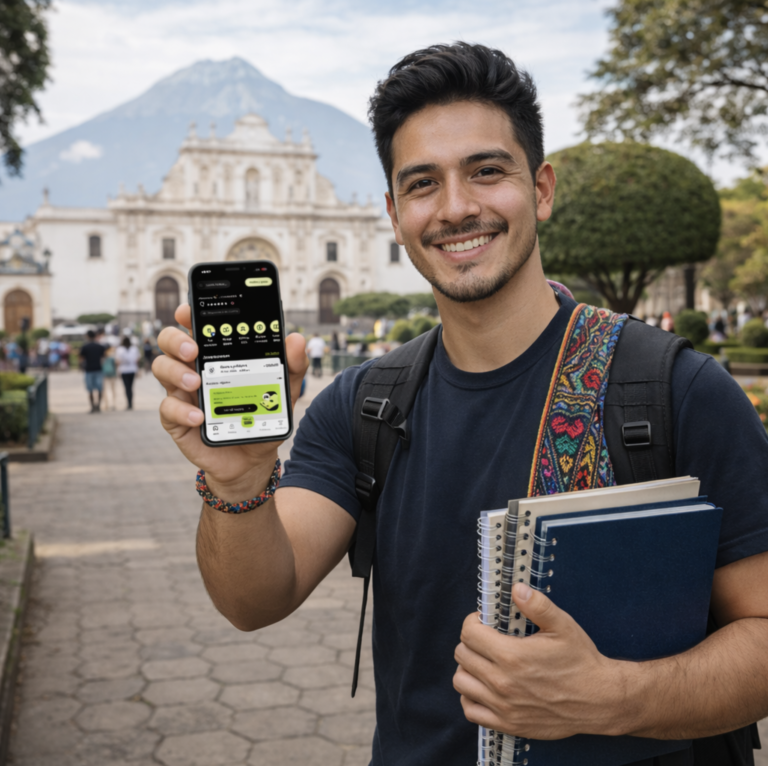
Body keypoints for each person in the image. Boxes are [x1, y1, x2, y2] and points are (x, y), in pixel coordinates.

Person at [153, 43, 768, 766]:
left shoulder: (674, 391)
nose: (455, 208)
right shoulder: (364, 406)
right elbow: (254, 600)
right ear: (393, 212)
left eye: (486, 171)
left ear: (541, 189)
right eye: (422, 184)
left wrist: (615, 697)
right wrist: (237, 481)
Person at [79, 330, 105, 413]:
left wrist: (81, 366)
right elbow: (103, 358)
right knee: (100, 389)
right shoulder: (100, 346)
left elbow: (81, 359)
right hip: (98, 369)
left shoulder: (85, 347)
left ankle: (93, 406)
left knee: (90, 390)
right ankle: (98, 406)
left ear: (88, 336)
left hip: (89, 370)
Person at [116, 336, 140, 410]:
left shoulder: (119, 349)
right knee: (130, 387)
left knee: (127, 387)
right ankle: (130, 403)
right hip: (132, 369)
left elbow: (117, 361)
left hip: (124, 370)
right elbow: (137, 359)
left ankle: (129, 403)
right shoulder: (134, 349)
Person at [101, 345, 118, 410]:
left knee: (104, 390)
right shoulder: (113, 355)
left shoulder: (102, 356)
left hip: (104, 374)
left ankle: (106, 404)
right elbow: (116, 364)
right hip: (112, 374)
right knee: (113, 389)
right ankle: (113, 404)